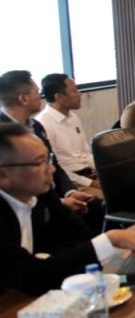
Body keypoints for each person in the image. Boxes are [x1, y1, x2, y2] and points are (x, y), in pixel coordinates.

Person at [0, 124, 135, 295]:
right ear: (3, 175)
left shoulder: (38, 194)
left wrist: (107, 253)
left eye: (48, 160)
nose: (51, 169)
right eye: (38, 163)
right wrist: (107, 240)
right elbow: (29, 275)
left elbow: (74, 233)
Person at [0, 71, 92, 216]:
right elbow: (18, 186)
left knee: (96, 207)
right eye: (37, 93)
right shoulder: (4, 134)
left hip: (53, 196)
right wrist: (60, 202)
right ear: (23, 99)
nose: (41, 96)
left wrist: (69, 192)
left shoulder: (36, 126)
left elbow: (53, 163)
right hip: (31, 209)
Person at [36, 74, 100, 189]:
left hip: (91, 175)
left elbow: (85, 154)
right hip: (71, 183)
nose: (79, 94)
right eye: (74, 91)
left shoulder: (73, 117)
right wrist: (91, 183)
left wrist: (103, 171)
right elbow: (56, 168)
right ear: (59, 97)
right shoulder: (43, 124)